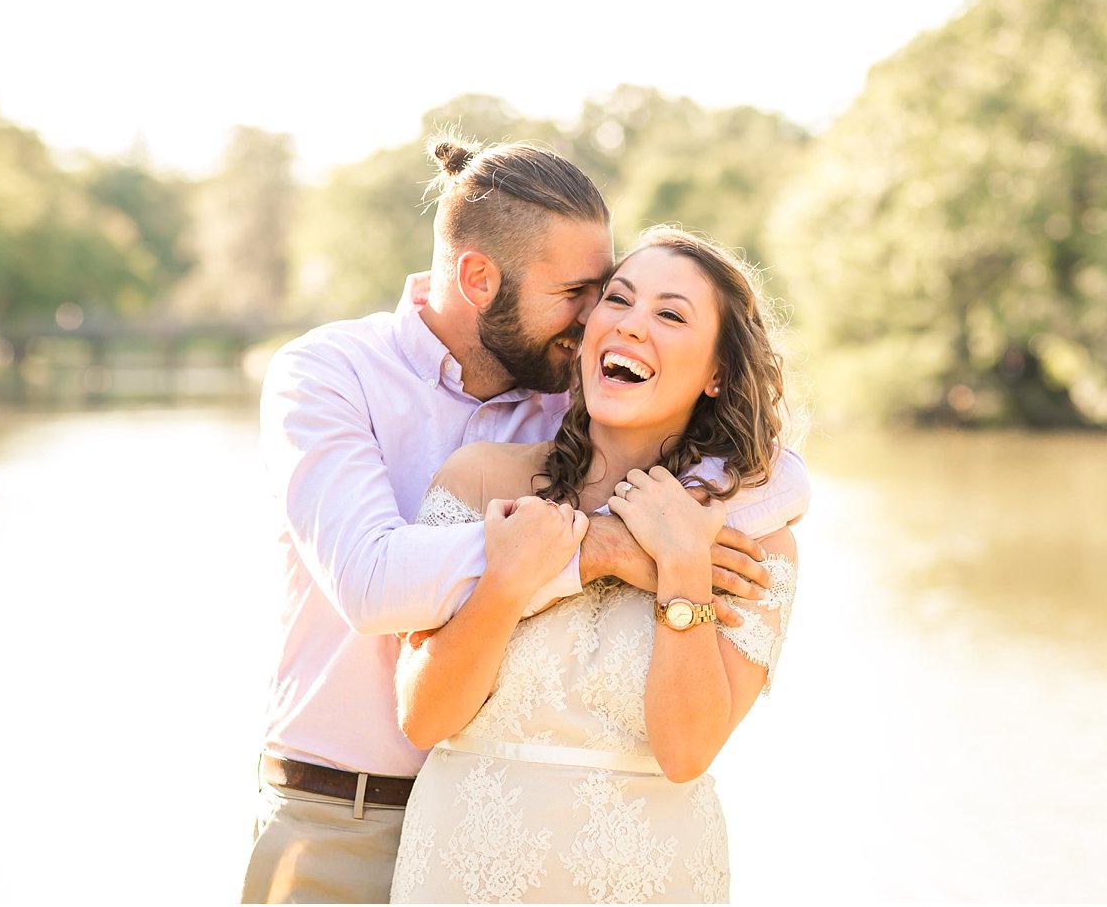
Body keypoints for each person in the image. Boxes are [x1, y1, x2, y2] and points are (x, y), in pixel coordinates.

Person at [242, 139, 809, 904]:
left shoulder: (571, 389)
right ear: (480, 279)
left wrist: (691, 543)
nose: (601, 320)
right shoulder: (330, 375)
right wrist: (609, 548)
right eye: (589, 292)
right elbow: (372, 585)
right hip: (342, 811)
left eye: (608, 291)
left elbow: (769, 472)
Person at [389, 226, 800, 903]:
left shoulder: (753, 541)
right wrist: (511, 580)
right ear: (586, 332)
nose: (633, 325)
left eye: (670, 314)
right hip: (463, 869)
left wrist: (682, 565)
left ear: (718, 373)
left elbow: (685, 752)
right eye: (618, 300)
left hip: (652, 878)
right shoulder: (482, 481)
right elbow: (423, 718)